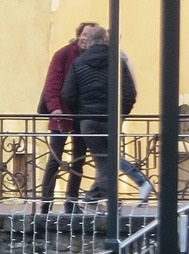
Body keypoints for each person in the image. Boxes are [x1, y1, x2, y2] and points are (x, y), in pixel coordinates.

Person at [60, 24, 152, 205]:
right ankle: (98, 198)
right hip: (111, 119)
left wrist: (80, 113)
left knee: (103, 159)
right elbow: (129, 93)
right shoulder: (118, 62)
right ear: (105, 41)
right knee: (107, 159)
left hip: (88, 121)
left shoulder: (78, 63)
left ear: (91, 43)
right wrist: (121, 113)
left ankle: (96, 198)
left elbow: (67, 94)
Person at [39, 22, 94, 213]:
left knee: (79, 158)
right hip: (61, 115)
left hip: (81, 115)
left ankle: (71, 202)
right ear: (78, 35)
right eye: (84, 34)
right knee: (55, 158)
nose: (85, 38)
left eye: (89, 35)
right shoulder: (63, 54)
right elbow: (52, 83)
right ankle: (46, 202)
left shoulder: (92, 58)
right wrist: (54, 108)